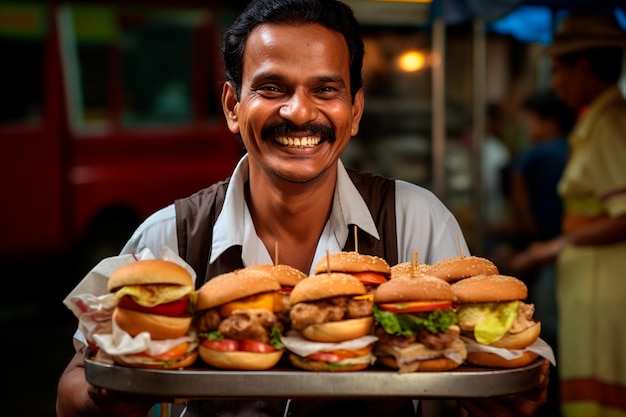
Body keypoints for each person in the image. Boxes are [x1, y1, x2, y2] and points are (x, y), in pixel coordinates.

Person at [55, 0, 550, 416]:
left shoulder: (417, 218)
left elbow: (515, 354)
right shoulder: (171, 236)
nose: (299, 112)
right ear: (232, 106)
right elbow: (74, 384)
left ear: (354, 111)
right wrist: (106, 398)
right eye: (273, 88)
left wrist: (509, 394)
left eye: (325, 90)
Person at [511, 11, 626, 417]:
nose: (556, 83)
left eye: (559, 70)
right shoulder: (595, 121)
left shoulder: (611, 122)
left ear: (584, 66)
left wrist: (558, 245)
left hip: (606, 284)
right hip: (592, 281)